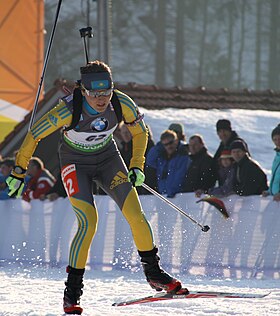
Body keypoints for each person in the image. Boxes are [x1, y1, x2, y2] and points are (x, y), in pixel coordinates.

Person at [6, 60, 187, 315]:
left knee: (136, 215)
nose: (102, 99)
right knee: (88, 221)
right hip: (74, 163)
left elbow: (140, 132)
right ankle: (72, 292)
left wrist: (137, 165)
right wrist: (19, 170)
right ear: (83, 90)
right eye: (95, 94)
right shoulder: (67, 110)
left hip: (108, 160)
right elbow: (34, 134)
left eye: (106, 92)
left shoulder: (121, 102)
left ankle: (154, 273)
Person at [146, 129, 191, 197]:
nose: (169, 146)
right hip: (163, 194)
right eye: (165, 144)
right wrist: (158, 147)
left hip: (178, 196)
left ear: (176, 141)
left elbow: (180, 176)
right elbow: (150, 161)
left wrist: (172, 191)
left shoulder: (183, 155)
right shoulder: (162, 156)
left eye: (171, 143)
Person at [262, 124, 280, 201]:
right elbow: (275, 177)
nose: (277, 142)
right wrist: (269, 191)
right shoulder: (277, 156)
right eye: (275, 139)